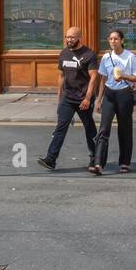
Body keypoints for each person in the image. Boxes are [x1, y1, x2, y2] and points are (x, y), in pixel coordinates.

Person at [38, 26, 100, 171]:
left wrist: (88, 98)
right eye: (67, 37)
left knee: (89, 128)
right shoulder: (64, 53)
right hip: (68, 98)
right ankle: (51, 159)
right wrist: (60, 97)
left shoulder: (89, 54)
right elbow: (61, 76)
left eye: (72, 37)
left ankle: (95, 158)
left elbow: (94, 78)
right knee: (61, 127)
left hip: (83, 98)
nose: (69, 40)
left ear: (79, 38)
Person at [91, 28, 136, 174]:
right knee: (103, 129)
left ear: (122, 41)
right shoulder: (106, 58)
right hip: (109, 94)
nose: (113, 41)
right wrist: (99, 100)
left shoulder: (130, 57)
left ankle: (125, 162)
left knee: (124, 129)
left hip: (124, 94)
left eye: (116, 39)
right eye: (111, 39)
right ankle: (99, 163)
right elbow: (103, 79)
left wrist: (124, 76)